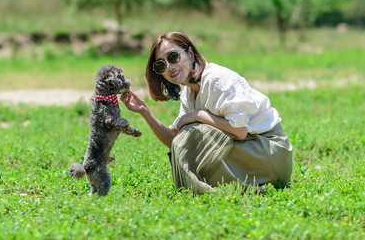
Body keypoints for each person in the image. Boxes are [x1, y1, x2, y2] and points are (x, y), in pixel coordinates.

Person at [121, 31, 293, 194]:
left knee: (195, 130)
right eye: (161, 65)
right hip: (252, 152)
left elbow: (239, 131)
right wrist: (144, 111)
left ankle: (230, 185)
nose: (170, 67)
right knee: (190, 136)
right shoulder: (190, 92)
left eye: (173, 57)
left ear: (190, 53)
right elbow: (175, 139)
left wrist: (199, 115)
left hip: (269, 151)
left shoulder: (216, 79)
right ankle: (228, 185)